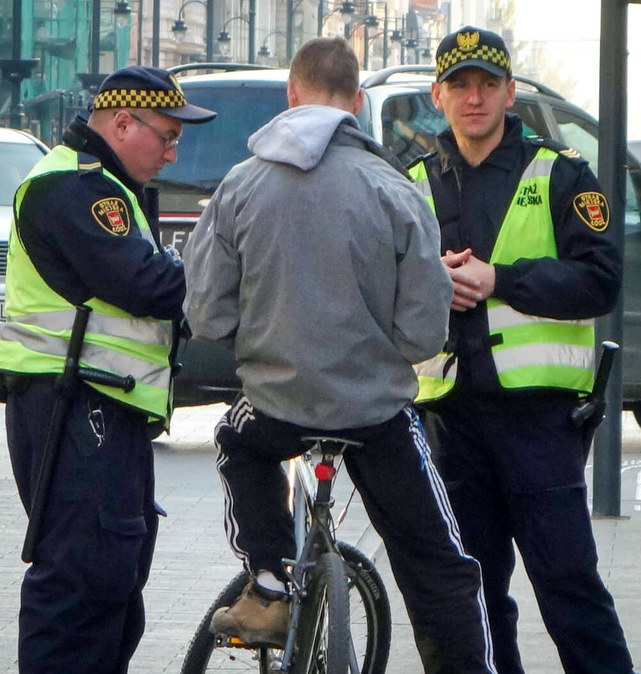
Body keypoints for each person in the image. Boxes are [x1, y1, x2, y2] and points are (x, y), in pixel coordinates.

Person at [183, 37, 498, 674]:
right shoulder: (396, 189)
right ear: (357, 103)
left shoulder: (240, 187)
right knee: (441, 569)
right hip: (373, 415)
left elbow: (207, 314)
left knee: (237, 443)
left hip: (277, 406)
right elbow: (422, 332)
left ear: (291, 95)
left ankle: (268, 582)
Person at [408, 26, 636, 674]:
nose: (473, 98)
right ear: (438, 95)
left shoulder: (561, 172)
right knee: (471, 602)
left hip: (539, 425)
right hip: (450, 422)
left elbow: (602, 279)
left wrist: (501, 279)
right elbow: (378, 291)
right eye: (459, 85)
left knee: (569, 588)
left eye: (486, 84)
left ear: (510, 92)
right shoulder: (410, 184)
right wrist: (433, 287)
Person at [0, 66, 216, 673]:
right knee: (83, 582)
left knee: (113, 579)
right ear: (120, 123)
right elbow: (147, 284)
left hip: (99, 404)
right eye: (165, 135)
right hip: (74, 404)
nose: (172, 150)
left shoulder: (103, 184)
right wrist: (228, 277)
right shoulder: (78, 187)